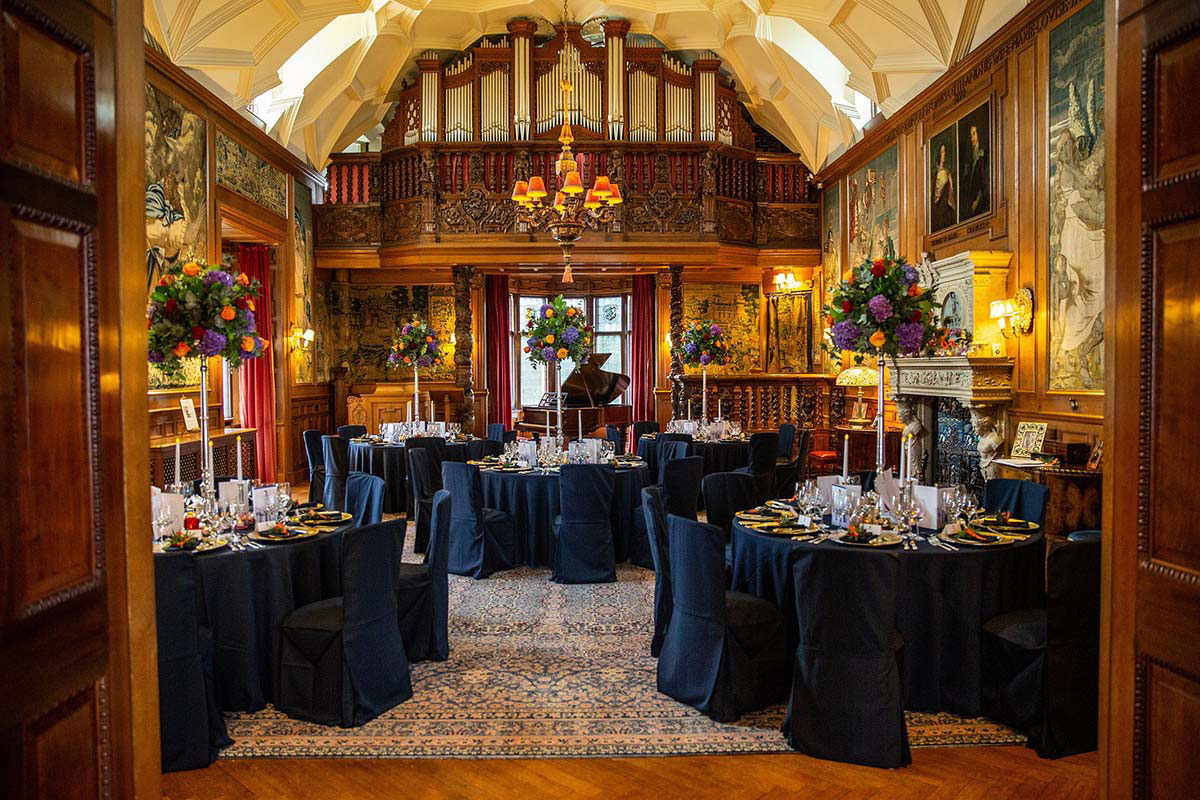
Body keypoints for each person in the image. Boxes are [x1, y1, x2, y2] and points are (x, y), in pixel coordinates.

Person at [961, 124, 988, 217]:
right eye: (970, 135)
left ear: (979, 135)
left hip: (979, 203)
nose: (972, 138)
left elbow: (984, 182)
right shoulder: (971, 159)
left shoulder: (982, 157)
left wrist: (976, 201)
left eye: (974, 134)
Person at [930, 142, 956, 230]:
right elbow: (936, 195)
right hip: (938, 209)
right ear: (939, 154)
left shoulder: (947, 172)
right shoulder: (936, 173)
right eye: (942, 152)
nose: (944, 154)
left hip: (946, 209)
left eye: (945, 151)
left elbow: (951, 195)